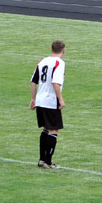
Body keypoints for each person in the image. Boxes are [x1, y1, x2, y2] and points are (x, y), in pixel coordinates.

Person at [30, 40, 66, 169]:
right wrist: (60, 99)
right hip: (50, 100)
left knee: (46, 129)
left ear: (51, 49)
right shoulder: (59, 63)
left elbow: (33, 82)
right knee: (53, 130)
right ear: (63, 50)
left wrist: (33, 99)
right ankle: (48, 162)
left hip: (40, 100)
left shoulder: (42, 61)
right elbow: (55, 83)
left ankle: (41, 160)